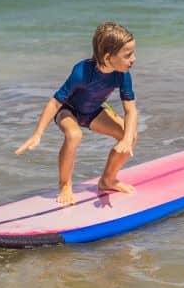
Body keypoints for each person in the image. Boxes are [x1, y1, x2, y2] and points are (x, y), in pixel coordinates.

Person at [15, 22, 138, 205]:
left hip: (93, 110)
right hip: (68, 109)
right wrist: (38, 134)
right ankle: (65, 184)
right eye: (128, 55)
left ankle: (108, 180)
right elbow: (55, 102)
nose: (133, 59)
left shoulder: (122, 73)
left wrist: (127, 139)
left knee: (130, 135)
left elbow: (130, 109)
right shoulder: (82, 71)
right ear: (107, 57)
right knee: (74, 135)